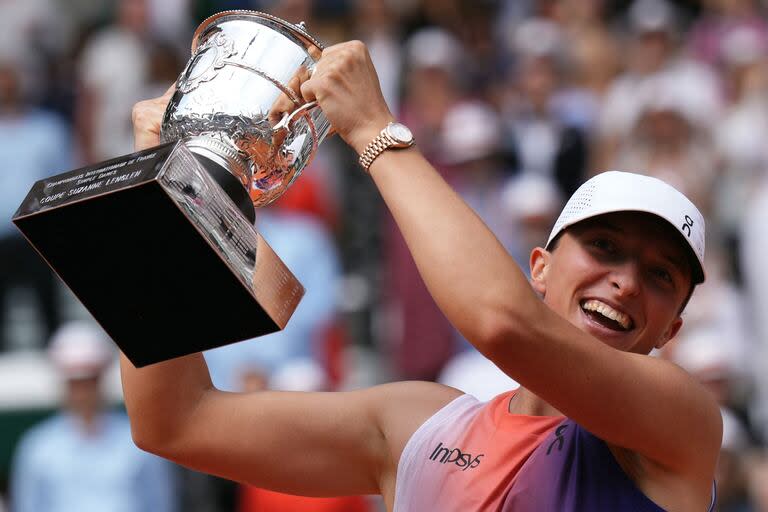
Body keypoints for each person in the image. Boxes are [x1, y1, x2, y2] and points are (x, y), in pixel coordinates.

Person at [124, 41, 721, 511]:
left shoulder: (682, 419)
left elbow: (504, 326)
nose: (626, 281)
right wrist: (156, 199)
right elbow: (174, 421)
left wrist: (373, 130)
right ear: (538, 268)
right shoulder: (420, 425)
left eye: (661, 275)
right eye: (605, 246)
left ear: (671, 332)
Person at [9, 321, 176, 512]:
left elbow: (161, 503)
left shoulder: (139, 443)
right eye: (75, 383)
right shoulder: (38, 448)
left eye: (89, 381)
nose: (83, 393)